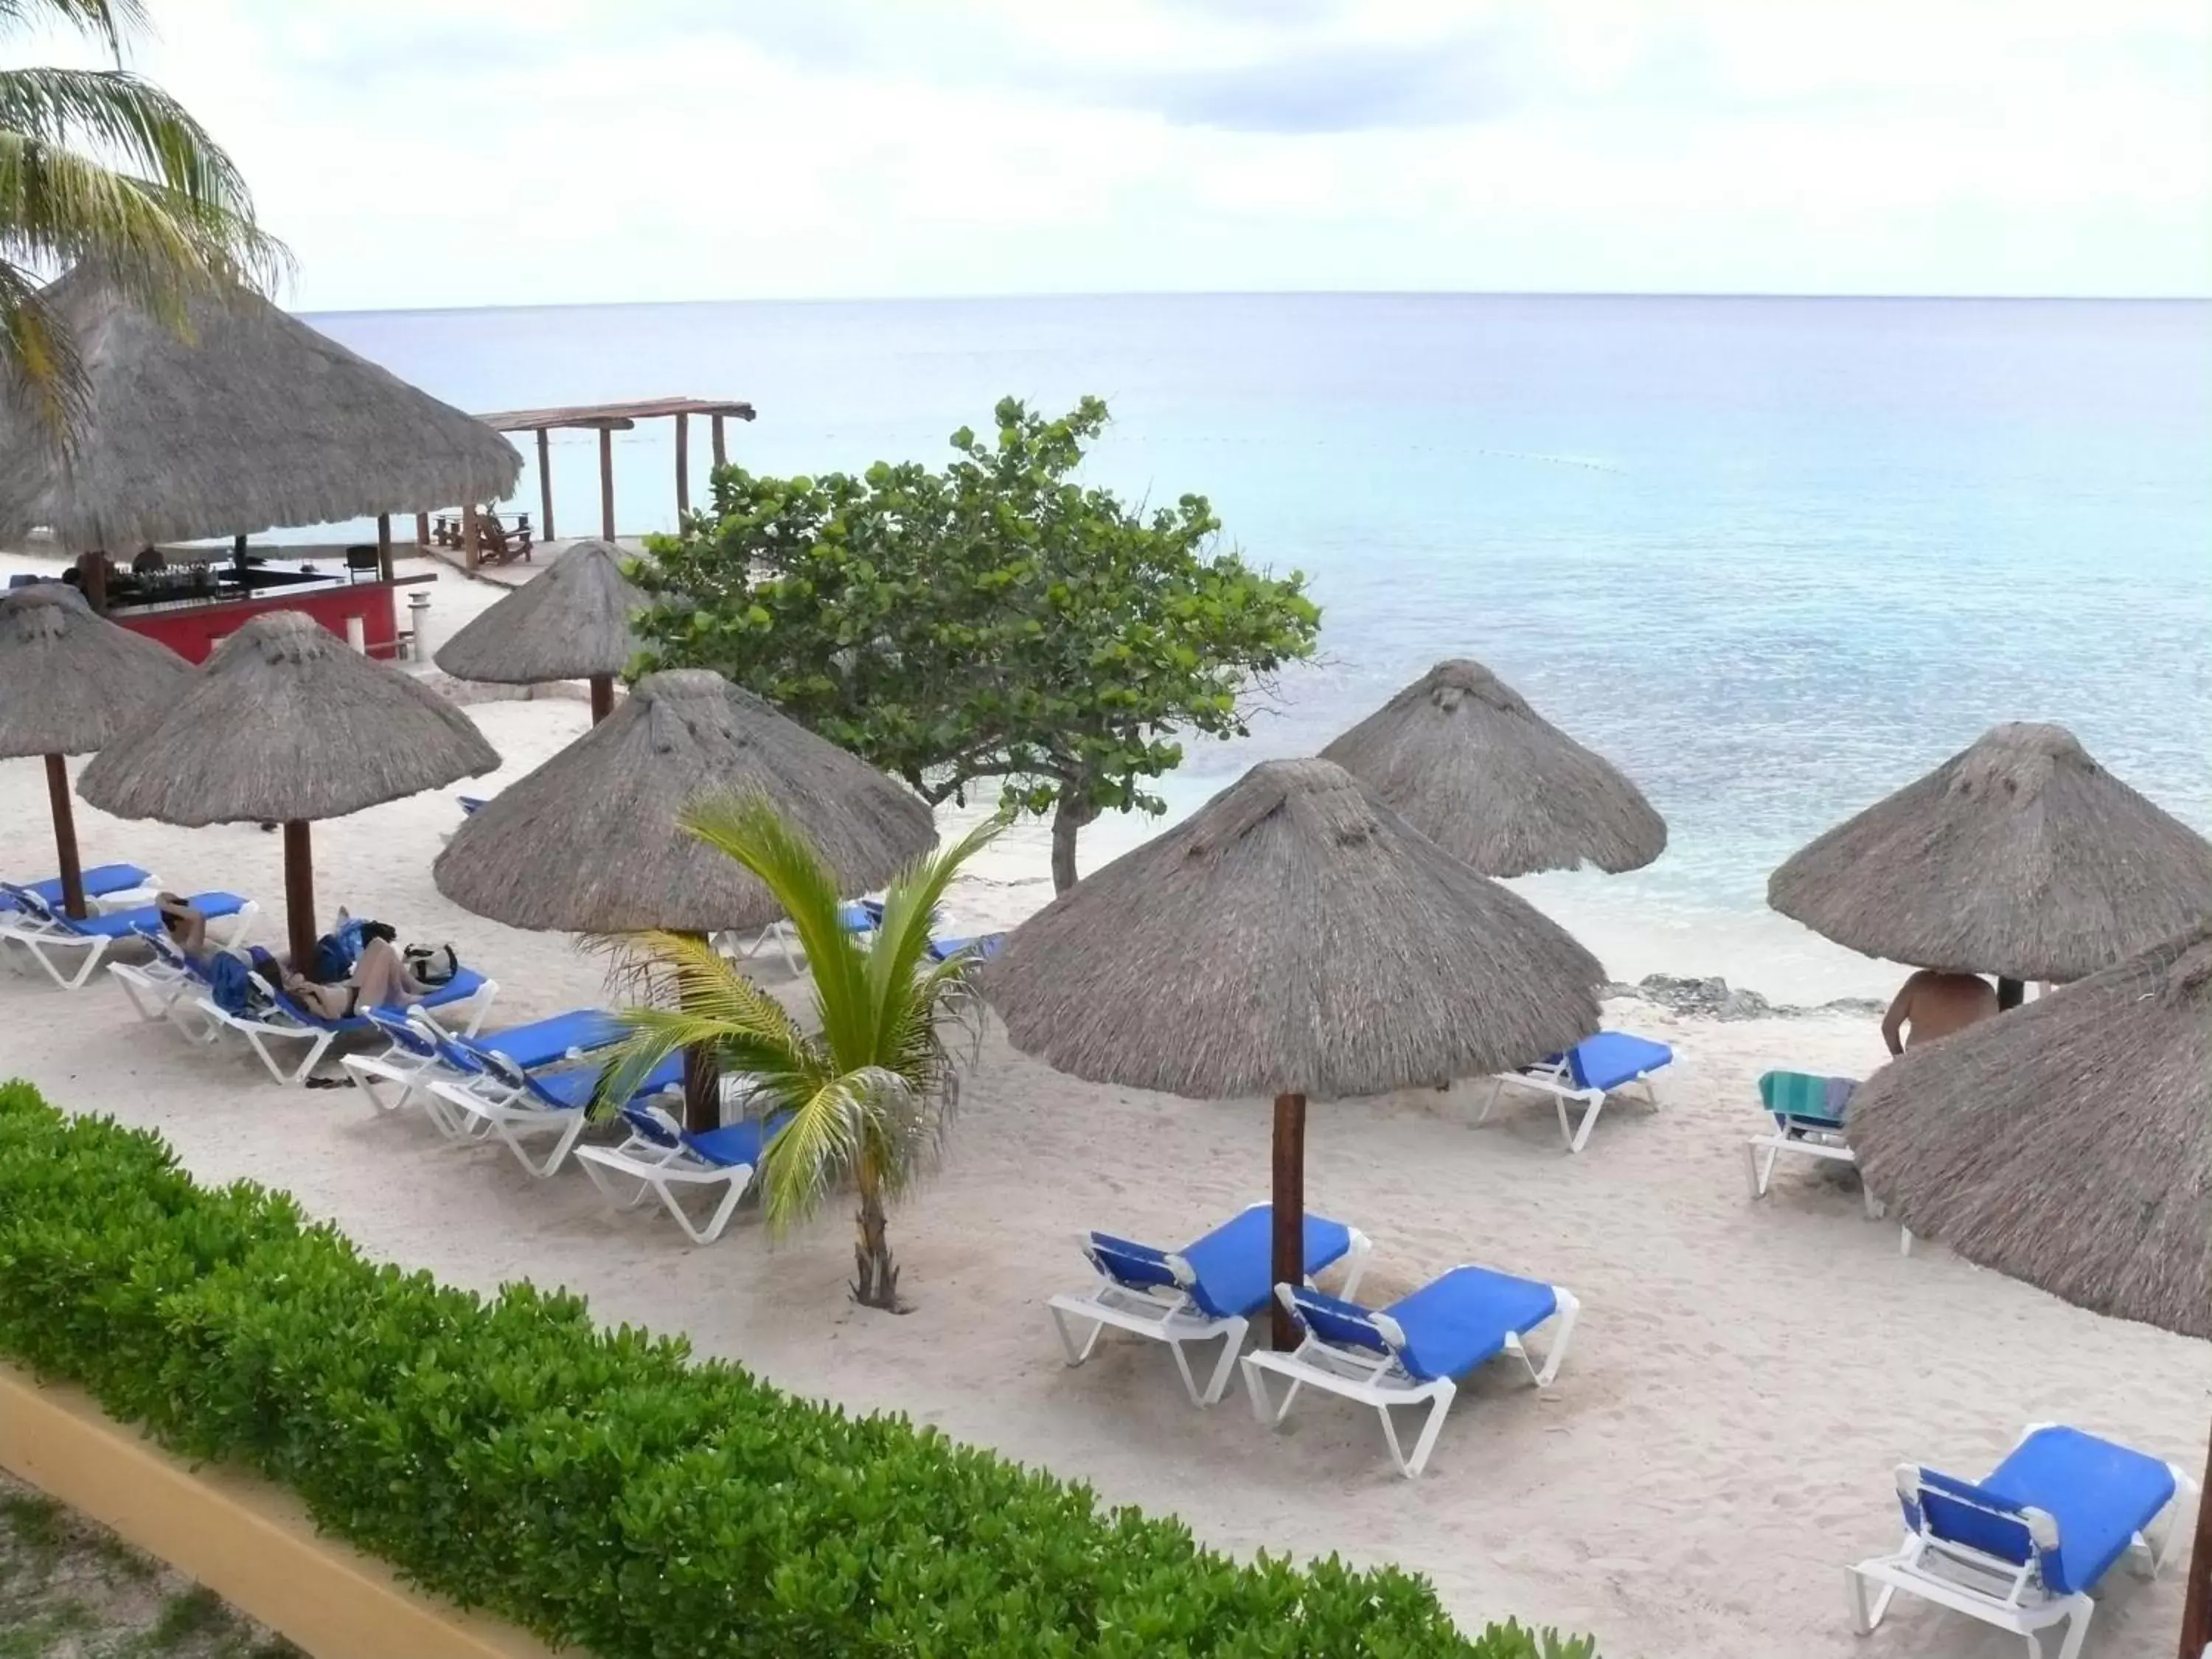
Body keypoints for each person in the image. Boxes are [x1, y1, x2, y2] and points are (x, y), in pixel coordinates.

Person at [279, 923, 431, 1020]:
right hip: (360, 1005)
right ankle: (400, 995)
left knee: (377, 943)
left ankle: (411, 986)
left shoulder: (302, 988)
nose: (295, 974)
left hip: (353, 988)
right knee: (385, 951)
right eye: (290, 976)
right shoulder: (308, 999)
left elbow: (279, 964)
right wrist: (319, 991)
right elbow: (334, 1016)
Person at [1879, 969, 1999, 1056]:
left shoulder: (1920, 982)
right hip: (1963, 1069)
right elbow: (1993, 1038)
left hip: (1918, 1065)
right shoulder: (1985, 990)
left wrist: (1899, 1060)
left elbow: (1889, 1027)